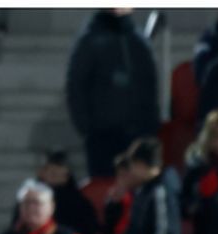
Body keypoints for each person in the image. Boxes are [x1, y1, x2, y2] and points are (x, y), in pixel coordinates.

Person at [67, 10, 159, 179]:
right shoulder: (90, 40)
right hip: (102, 136)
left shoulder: (139, 41)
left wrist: (150, 126)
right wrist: (88, 128)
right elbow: (77, 86)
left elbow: (150, 86)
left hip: (138, 133)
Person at [34, 149, 104, 234]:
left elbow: (89, 233)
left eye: (57, 170)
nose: (54, 173)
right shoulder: (30, 200)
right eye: (50, 171)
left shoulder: (79, 202)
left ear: (66, 174)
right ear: (42, 173)